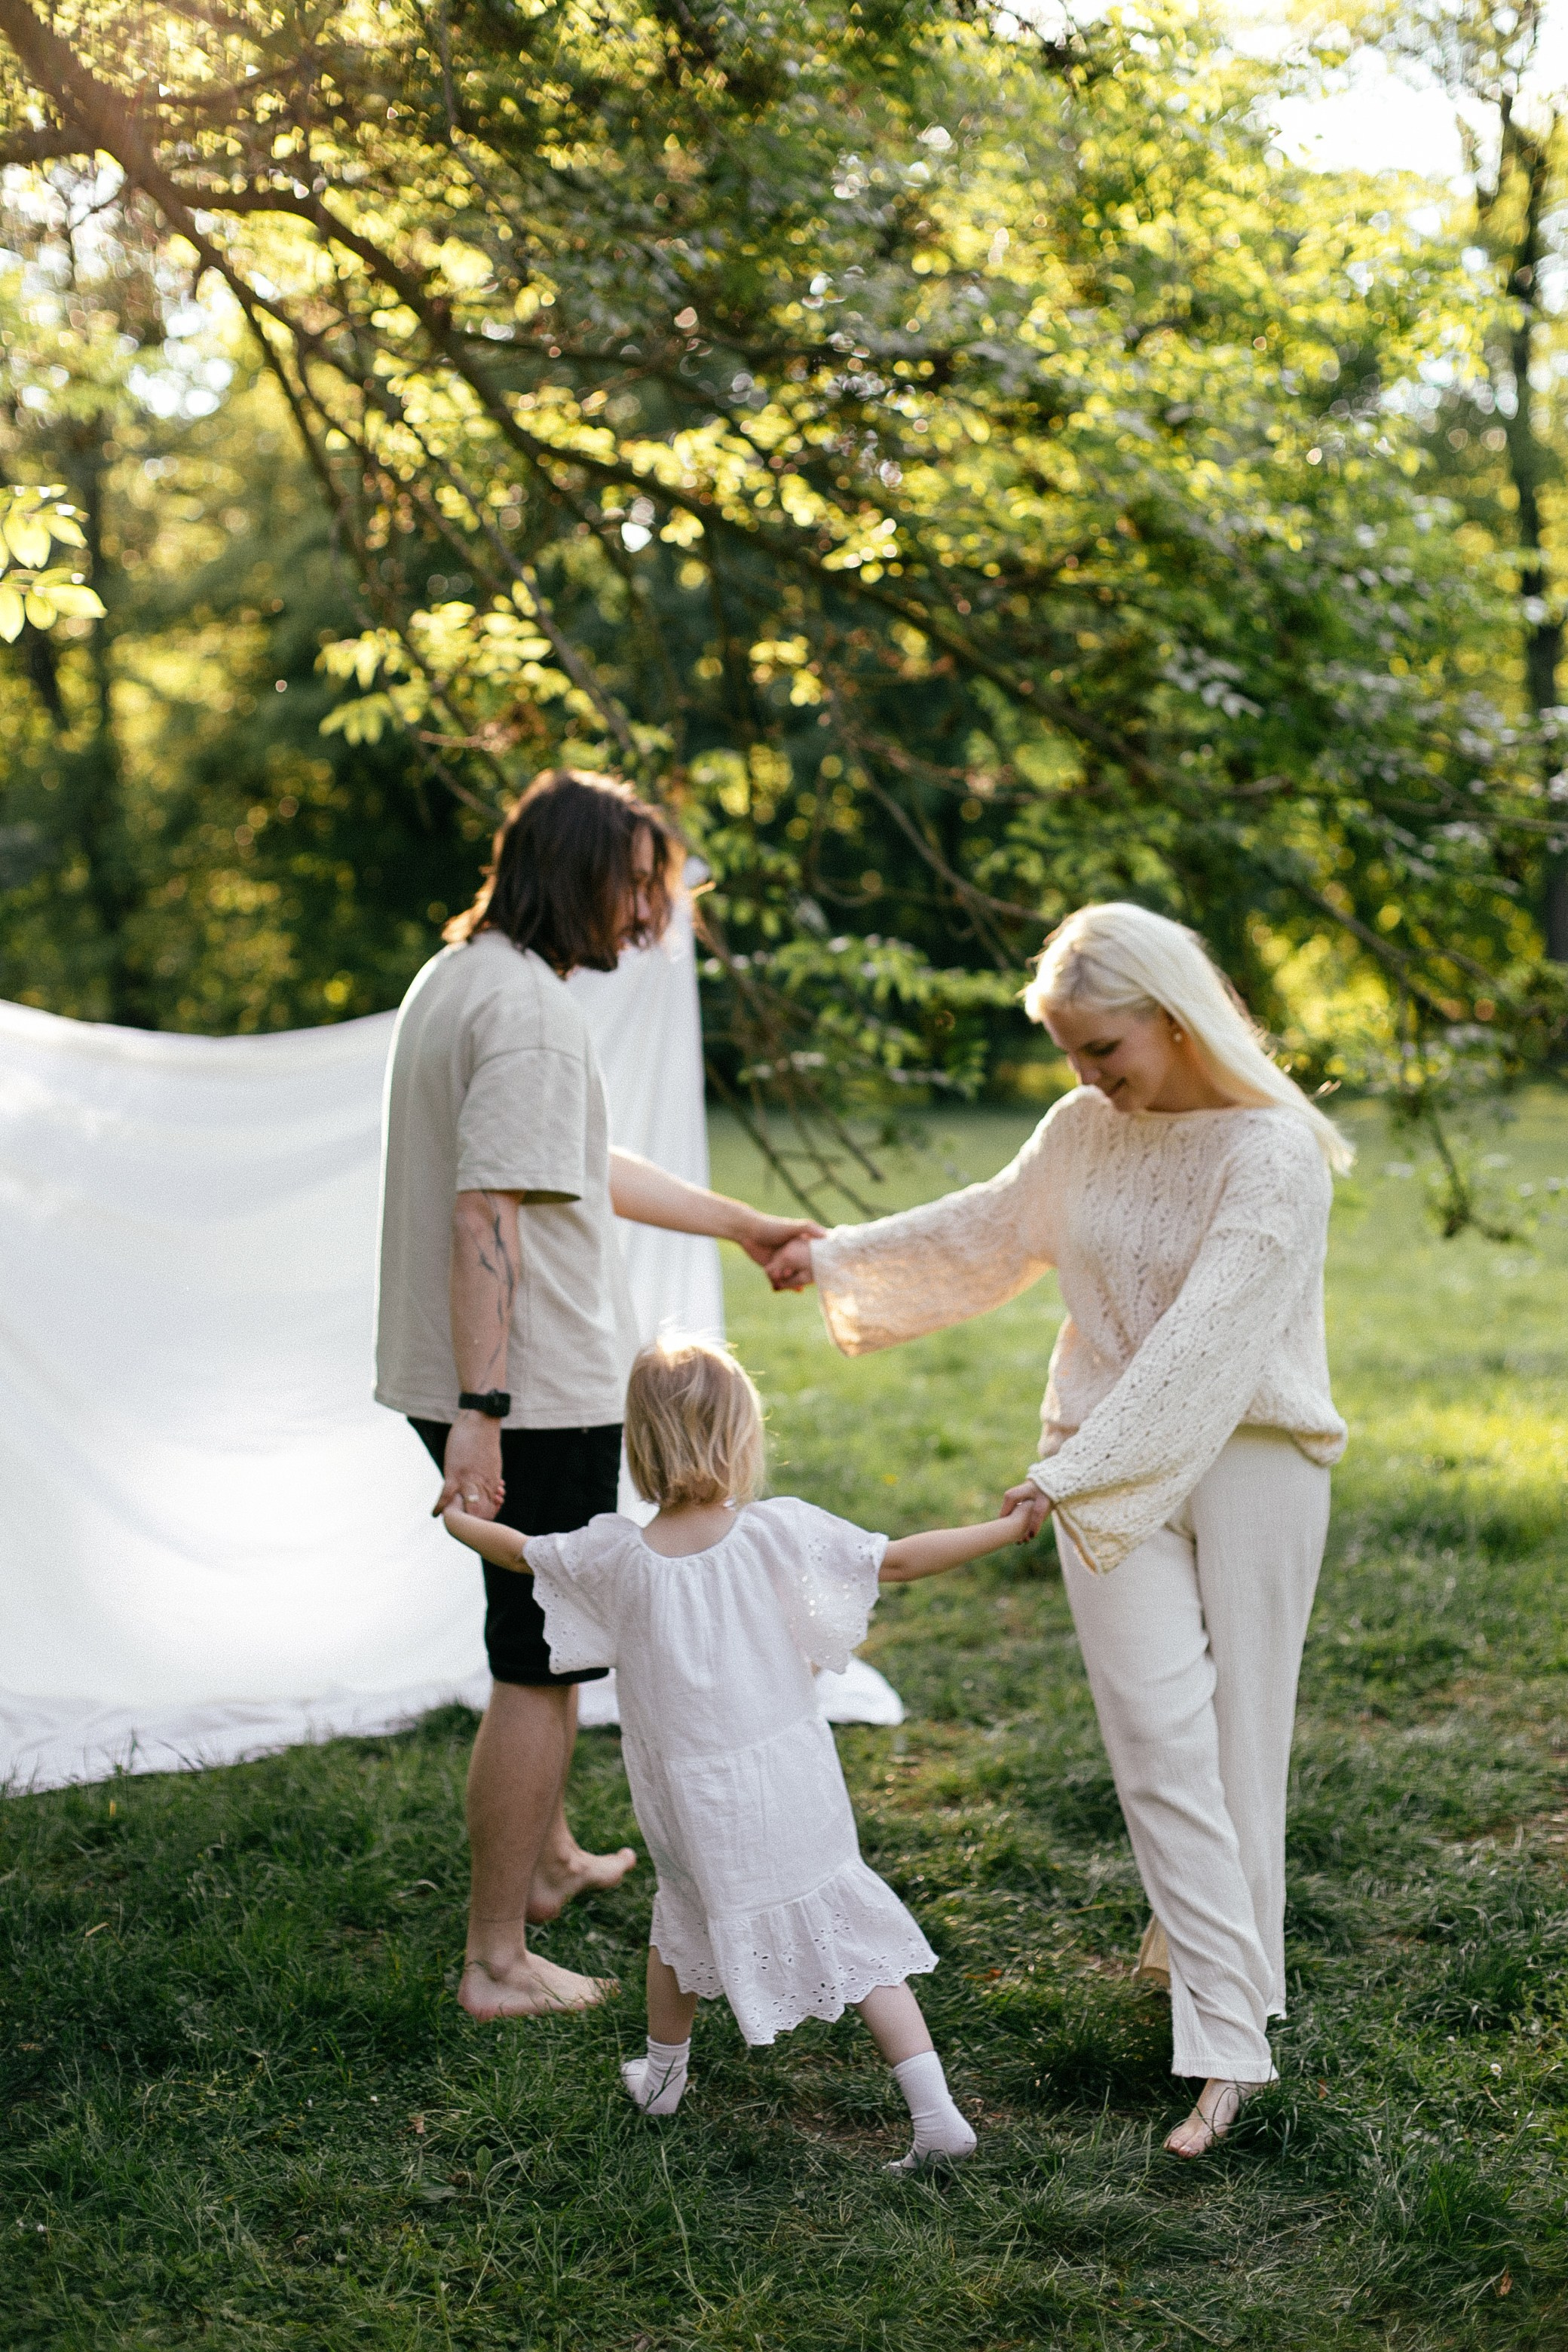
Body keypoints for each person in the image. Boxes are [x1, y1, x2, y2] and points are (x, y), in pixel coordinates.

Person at [765, 902, 1351, 2158]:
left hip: (1249, 1460)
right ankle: (1227, 2026)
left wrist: (1076, 1470)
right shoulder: (1082, 1130)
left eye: (1103, 1048)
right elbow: (988, 1225)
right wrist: (836, 1257)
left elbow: (1210, 1338)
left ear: (1174, 1019)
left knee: (1240, 1744)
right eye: (1070, 1052)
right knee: (1157, 1745)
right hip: (1094, 1460)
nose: (1086, 1076)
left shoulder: (1276, 1152)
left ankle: (1224, 2033)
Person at [374, 769, 822, 2023]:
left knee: (544, 1638)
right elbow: (487, 1214)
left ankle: (552, 1860)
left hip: (482, 1378)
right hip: (530, 1392)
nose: (648, 915)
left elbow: (568, 1161)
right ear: (571, 872)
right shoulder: (524, 1014)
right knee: (542, 1664)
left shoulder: (463, 977)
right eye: (633, 886)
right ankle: (496, 1961)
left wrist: (739, 1224)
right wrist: (485, 1409)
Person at [443, 1333, 1040, 2167]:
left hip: (687, 1801)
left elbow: (521, 1552)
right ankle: (930, 2113)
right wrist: (1005, 1530)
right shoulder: (776, 1533)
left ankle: (666, 2076)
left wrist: (460, 1518)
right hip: (789, 1785)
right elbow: (900, 1560)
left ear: (639, 1446)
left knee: (683, 1923)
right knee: (845, 1937)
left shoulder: (615, 1554)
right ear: (743, 1438)